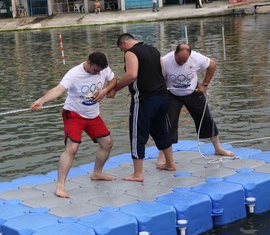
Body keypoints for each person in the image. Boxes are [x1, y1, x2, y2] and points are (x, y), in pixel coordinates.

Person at [31, 52, 117, 198]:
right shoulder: (73, 74)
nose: (98, 73)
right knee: (72, 149)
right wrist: (42, 100)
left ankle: (97, 173)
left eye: (100, 71)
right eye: (95, 70)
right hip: (74, 114)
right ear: (89, 63)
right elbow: (58, 90)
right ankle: (60, 187)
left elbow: (114, 79)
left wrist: (105, 90)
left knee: (107, 143)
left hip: (92, 114)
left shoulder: (103, 68)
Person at [107, 33, 175, 182]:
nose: (123, 53)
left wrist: (115, 89)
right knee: (161, 130)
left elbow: (131, 75)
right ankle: (170, 164)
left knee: (137, 134)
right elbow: (162, 72)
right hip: (162, 96)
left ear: (124, 44)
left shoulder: (131, 52)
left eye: (121, 50)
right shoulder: (153, 49)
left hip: (145, 99)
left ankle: (137, 174)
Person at [157, 43, 234, 165]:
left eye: (185, 61)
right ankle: (162, 156)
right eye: (180, 60)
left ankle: (218, 148)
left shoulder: (196, 57)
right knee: (168, 125)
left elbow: (212, 65)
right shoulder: (165, 61)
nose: (182, 63)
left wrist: (205, 84)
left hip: (193, 93)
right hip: (172, 95)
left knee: (207, 119)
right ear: (175, 53)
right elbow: (160, 79)